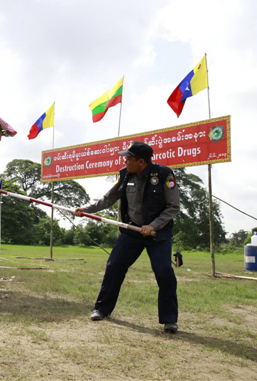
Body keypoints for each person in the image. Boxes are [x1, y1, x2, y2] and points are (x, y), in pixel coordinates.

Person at [75, 141, 180, 333]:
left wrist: (153, 225)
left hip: (158, 234)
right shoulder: (124, 174)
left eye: (128, 158)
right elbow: (108, 199)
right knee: (114, 266)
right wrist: (86, 210)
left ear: (141, 161)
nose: (125, 161)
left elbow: (173, 207)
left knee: (164, 272)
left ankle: (169, 320)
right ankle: (102, 309)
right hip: (131, 231)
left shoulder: (165, 175)